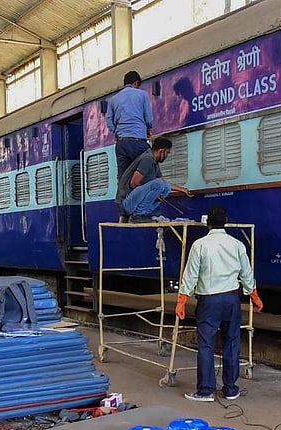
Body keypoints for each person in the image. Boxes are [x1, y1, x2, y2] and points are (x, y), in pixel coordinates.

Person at [175, 206, 264, 402]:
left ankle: (206, 391)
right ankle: (231, 389)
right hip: (232, 300)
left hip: (209, 301)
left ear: (208, 223)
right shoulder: (237, 244)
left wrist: (182, 300)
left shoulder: (200, 245)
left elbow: (190, 275)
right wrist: (254, 296)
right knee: (231, 343)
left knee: (206, 345)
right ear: (225, 222)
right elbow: (246, 274)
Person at [119, 136, 192, 222]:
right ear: (161, 151)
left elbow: (163, 183)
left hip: (135, 201)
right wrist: (154, 192)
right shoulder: (147, 159)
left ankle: (143, 214)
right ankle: (137, 216)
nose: (167, 156)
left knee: (166, 188)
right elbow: (134, 183)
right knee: (158, 184)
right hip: (127, 203)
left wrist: (183, 190)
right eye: (167, 153)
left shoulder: (154, 163)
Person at [106, 70, 155, 182]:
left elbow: (109, 120)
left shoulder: (113, 99)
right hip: (138, 142)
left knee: (123, 178)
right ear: (136, 83)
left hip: (121, 144)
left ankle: (123, 199)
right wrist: (148, 128)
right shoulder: (142, 95)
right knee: (148, 171)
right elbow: (149, 118)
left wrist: (116, 131)